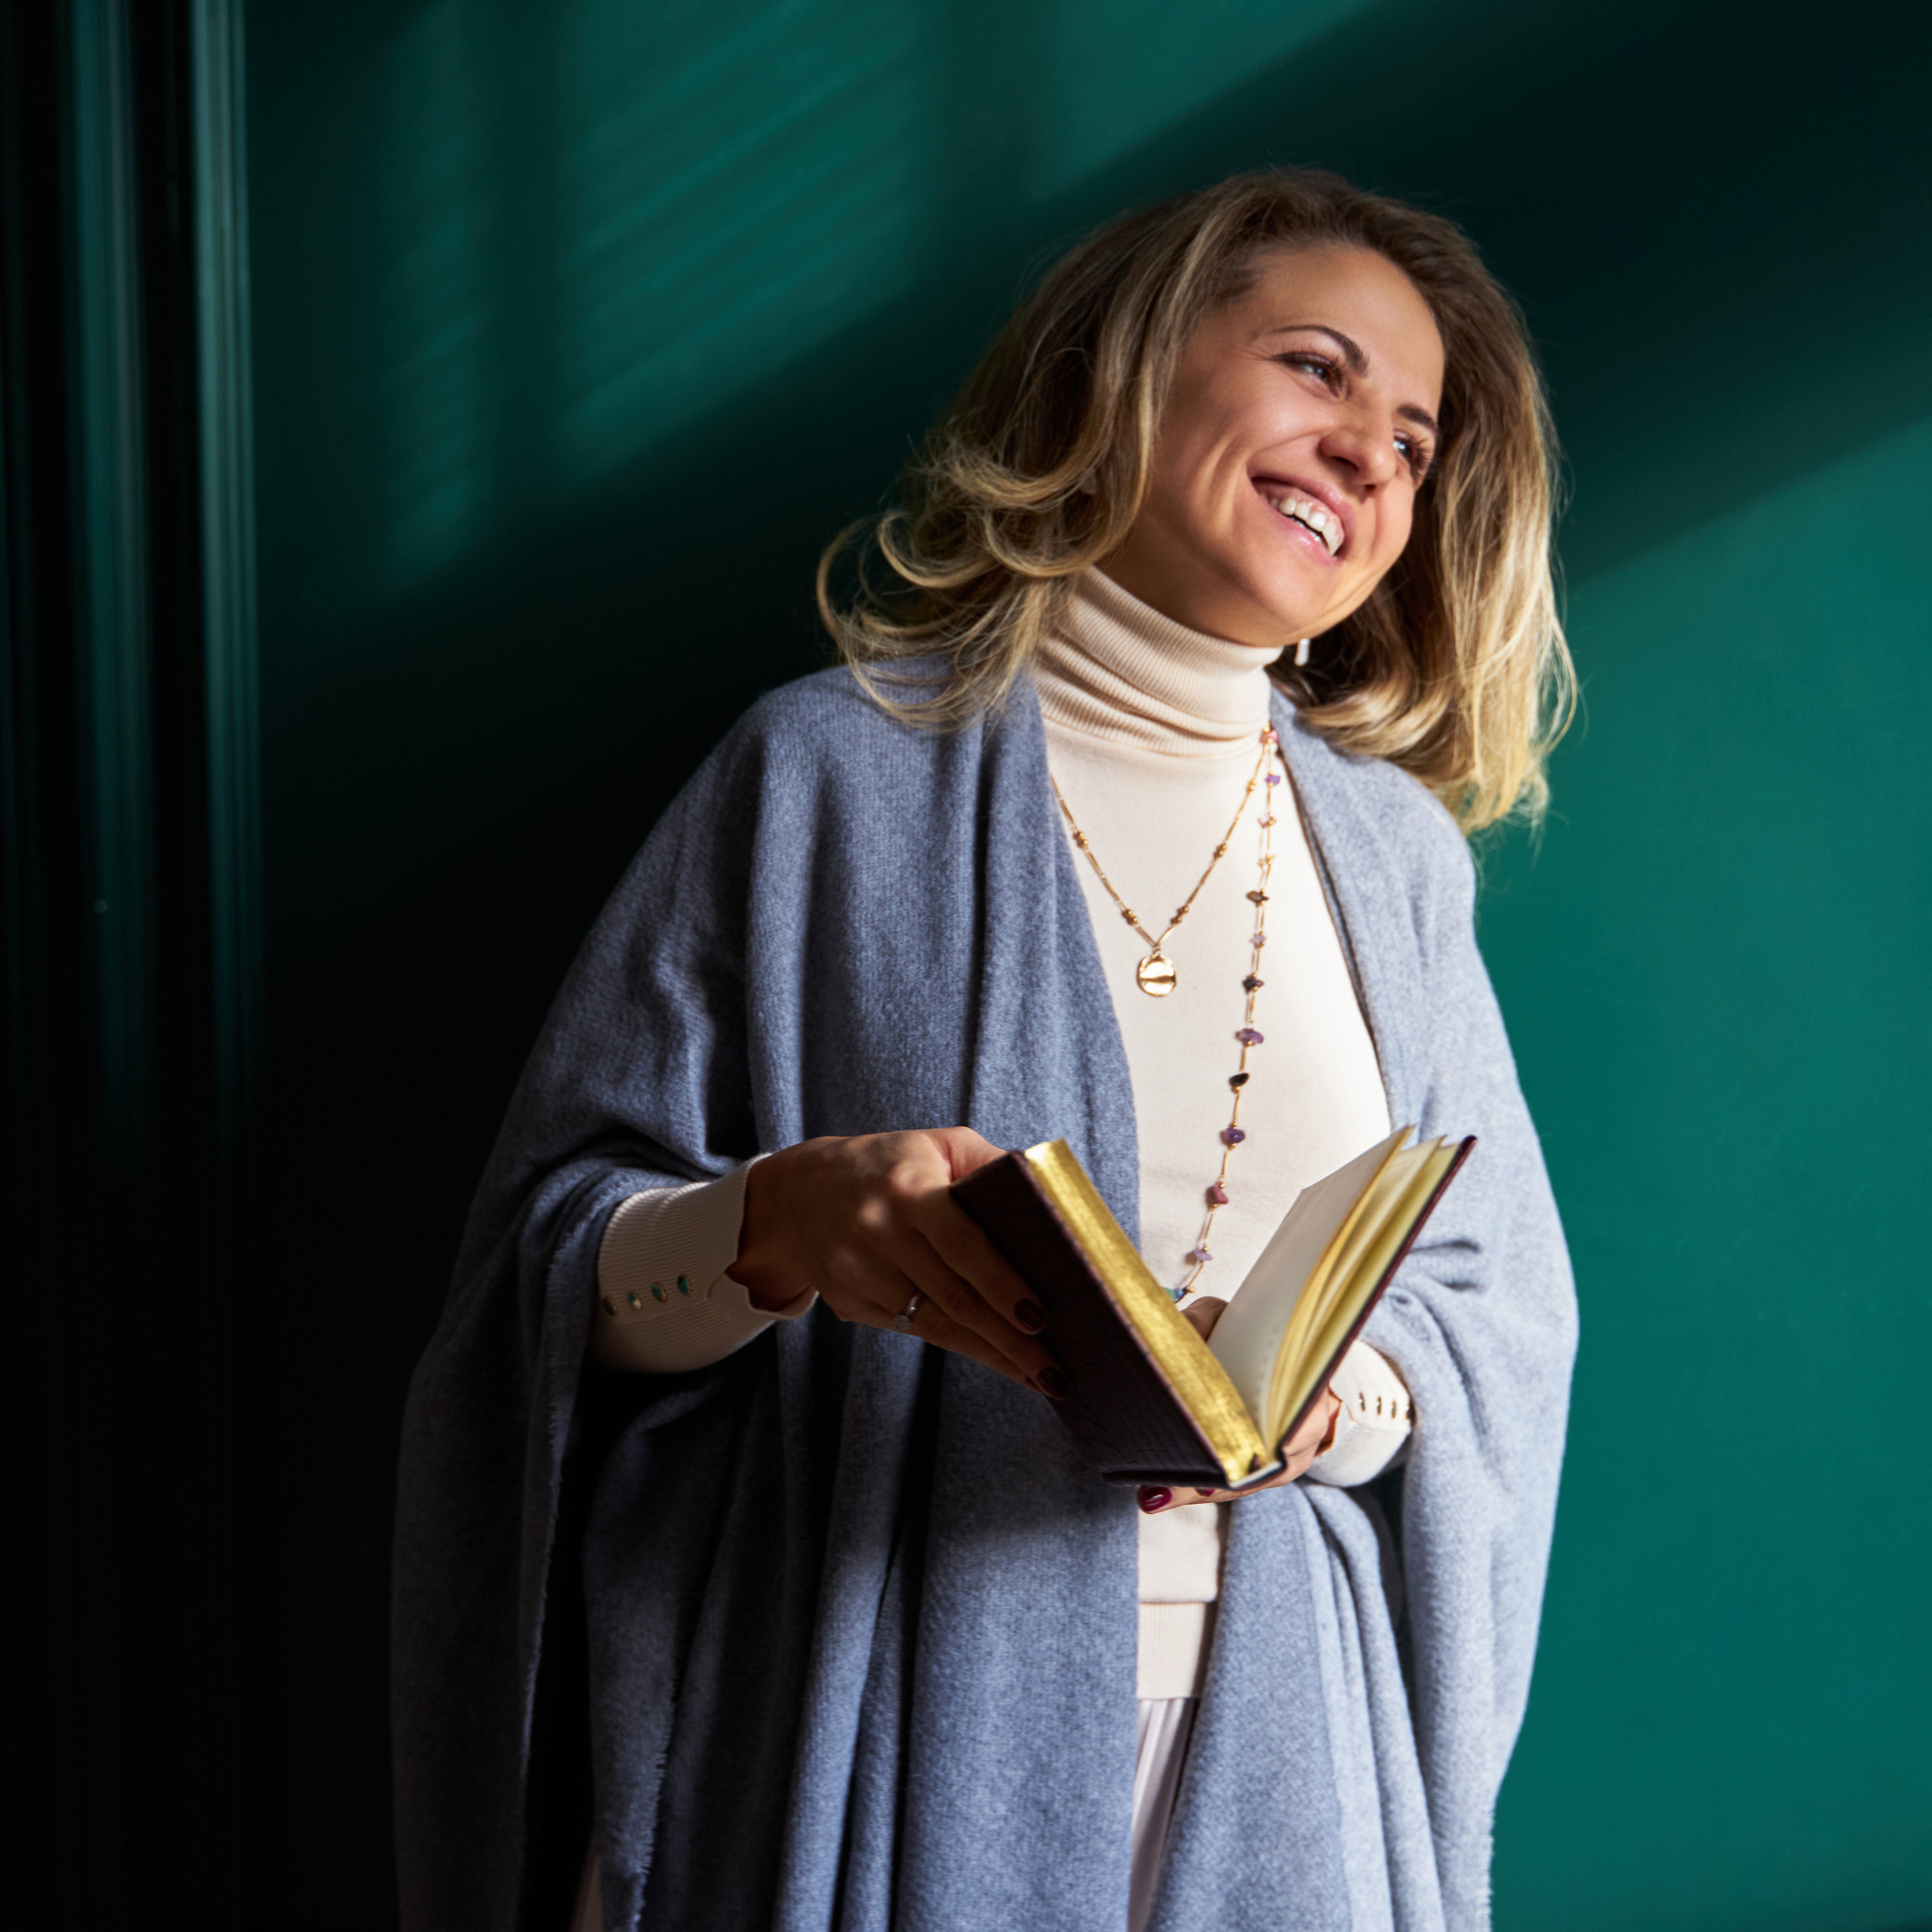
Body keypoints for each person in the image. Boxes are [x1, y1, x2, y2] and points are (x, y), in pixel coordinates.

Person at [392, 168, 1578, 1932]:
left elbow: (1497, 1316)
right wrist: (772, 1229)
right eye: (1319, 371)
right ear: (1127, 366)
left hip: (1287, 1754)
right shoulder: (821, 774)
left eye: (1412, 442)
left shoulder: (1390, 860)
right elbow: (537, 1282)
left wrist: (1335, 1401)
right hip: (851, 1718)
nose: (1368, 458)